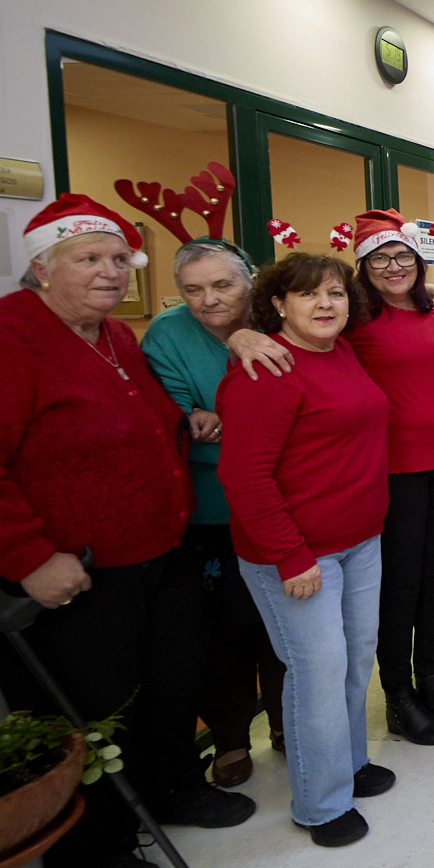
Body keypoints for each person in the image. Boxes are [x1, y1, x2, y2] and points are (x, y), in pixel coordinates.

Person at [0, 193, 252, 868]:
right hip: (71, 575)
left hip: (156, 555)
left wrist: (184, 421)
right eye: (88, 258)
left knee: (172, 682)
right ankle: (92, 855)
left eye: (120, 257)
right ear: (41, 266)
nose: (110, 271)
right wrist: (30, 557)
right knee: (91, 711)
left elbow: (135, 422)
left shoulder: (113, 335)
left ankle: (174, 789)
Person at [230, 209, 434, 745]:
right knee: (400, 589)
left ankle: (433, 679)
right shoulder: (352, 323)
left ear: (419, 260)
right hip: (388, 475)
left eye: (403, 256)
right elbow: (292, 334)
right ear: (362, 270)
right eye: (379, 259)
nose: (394, 267)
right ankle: (398, 695)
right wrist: (241, 337)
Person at [217, 254, 395, 847]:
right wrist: (290, 556)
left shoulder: (341, 351)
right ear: (278, 304)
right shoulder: (264, 372)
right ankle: (321, 802)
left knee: (354, 661)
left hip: (359, 542)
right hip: (298, 555)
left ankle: (347, 762)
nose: (325, 304)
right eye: (308, 294)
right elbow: (244, 478)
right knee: (316, 672)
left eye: (336, 293)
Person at [142, 238, 287, 789]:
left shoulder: (281, 318)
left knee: (285, 628)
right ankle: (230, 740)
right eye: (193, 289)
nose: (209, 300)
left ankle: (286, 726)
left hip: (282, 505)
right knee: (223, 633)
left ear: (251, 280)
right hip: (211, 512)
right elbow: (176, 425)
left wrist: (219, 422)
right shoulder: (166, 334)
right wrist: (204, 423)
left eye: (222, 285)